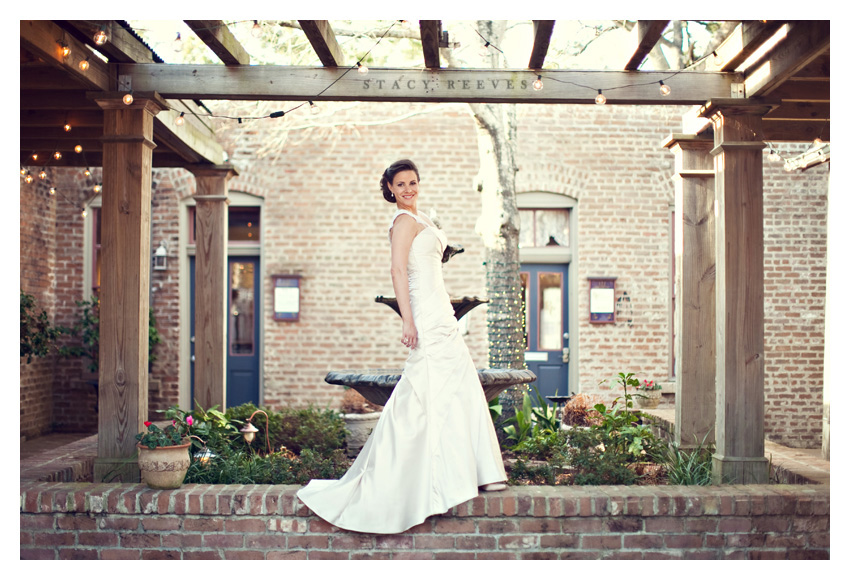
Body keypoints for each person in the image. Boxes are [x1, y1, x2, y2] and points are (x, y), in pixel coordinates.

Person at [296, 159, 507, 534]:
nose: (408, 188)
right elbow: (397, 270)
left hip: (443, 311)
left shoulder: (422, 217)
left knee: (459, 386)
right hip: (425, 314)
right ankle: (413, 476)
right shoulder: (402, 222)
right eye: (401, 184)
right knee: (422, 392)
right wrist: (408, 320)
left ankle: (478, 471)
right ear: (390, 188)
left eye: (413, 182)